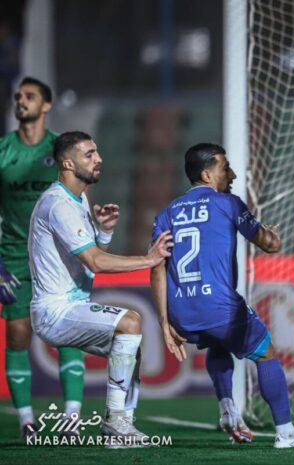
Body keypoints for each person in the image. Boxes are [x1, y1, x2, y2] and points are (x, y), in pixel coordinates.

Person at [150, 143, 294, 449]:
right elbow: (271, 245)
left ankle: (227, 408)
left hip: (181, 312)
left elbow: (156, 268)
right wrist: (270, 232)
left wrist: (164, 322)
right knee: (265, 353)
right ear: (206, 174)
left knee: (217, 342)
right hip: (219, 307)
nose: (233, 174)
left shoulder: (166, 213)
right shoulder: (228, 203)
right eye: (225, 168)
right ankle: (286, 433)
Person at [28, 131, 173, 447]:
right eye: (89, 154)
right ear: (68, 163)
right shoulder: (58, 205)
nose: (99, 159)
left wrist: (103, 233)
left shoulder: (78, 199)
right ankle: (114, 424)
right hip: (55, 311)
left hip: (71, 306)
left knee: (130, 345)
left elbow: (87, 260)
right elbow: (95, 262)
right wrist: (149, 260)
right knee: (131, 322)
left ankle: (121, 430)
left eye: (97, 152)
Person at [0, 77, 85, 438]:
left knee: (69, 332)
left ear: (46, 105)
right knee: (18, 334)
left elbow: (78, 198)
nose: (21, 101)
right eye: (19, 96)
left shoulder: (61, 149)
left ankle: (72, 419)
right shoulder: (3, 151)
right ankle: (26, 421)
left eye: (30, 96)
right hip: (14, 256)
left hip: (57, 255)